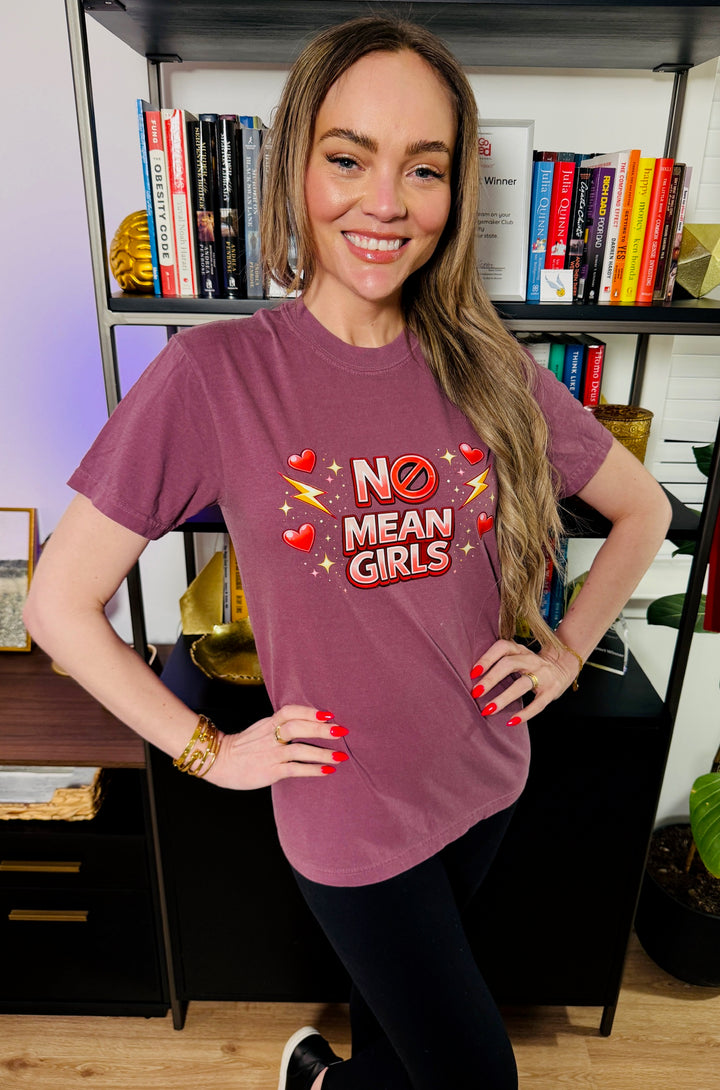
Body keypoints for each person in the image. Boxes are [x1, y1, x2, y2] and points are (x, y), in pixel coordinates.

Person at [25, 15, 672, 1090]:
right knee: (475, 1077)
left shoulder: (491, 366)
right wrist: (209, 750)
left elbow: (643, 510)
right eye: (348, 157)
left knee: (398, 1037)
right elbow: (56, 606)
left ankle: (321, 1077)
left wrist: (562, 654)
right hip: (345, 813)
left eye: (423, 168)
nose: (385, 202)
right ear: (296, 169)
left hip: (484, 777)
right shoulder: (215, 375)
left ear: (454, 194)